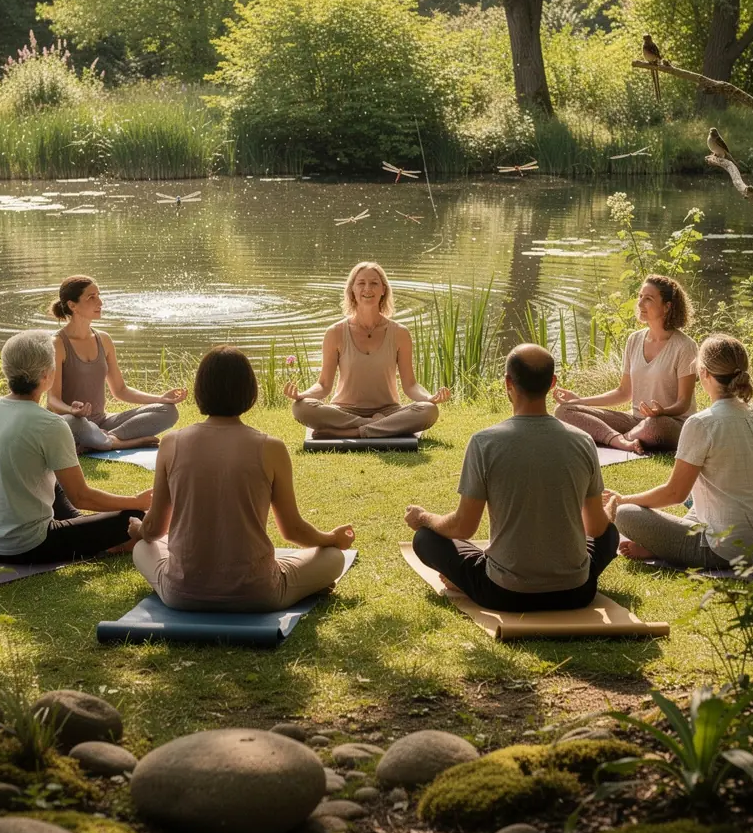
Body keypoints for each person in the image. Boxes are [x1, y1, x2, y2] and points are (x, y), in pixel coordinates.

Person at [131, 346, 355, 611]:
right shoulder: (272, 447)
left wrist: (139, 531)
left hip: (181, 593)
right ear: (250, 391)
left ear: (200, 390)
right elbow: (293, 531)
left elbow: (155, 528)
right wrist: (332, 539)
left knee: (143, 549)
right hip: (258, 592)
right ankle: (304, 581)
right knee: (332, 558)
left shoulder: (171, 443)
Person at [405, 344, 618, 612]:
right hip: (577, 592)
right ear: (552, 383)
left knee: (425, 539)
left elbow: (463, 527)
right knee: (610, 534)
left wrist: (424, 518)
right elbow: (597, 529)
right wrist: (609, 514)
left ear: (508, 382)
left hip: (505, 593)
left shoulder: (485, 442)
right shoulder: (583, 441)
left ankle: (465, 582)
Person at [608, 334, 753, 569]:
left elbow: (675, 494)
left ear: (704, 373)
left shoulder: (701, 424)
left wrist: (622, 499)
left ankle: (660, 545)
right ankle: (660, 543)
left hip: (724, 553)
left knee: (625, 513)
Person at [0, 330, 151, 564]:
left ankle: (82, 527)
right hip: (24, 546)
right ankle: (108, 540)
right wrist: (136, 501)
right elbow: (82, 497)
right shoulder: (50, 424)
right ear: (47, 375)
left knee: (54, 483)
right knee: (132, 517)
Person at [285, 262, 449, 439]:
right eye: (361, 283)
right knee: (300, 408)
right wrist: (303, 395)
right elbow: (324, 385)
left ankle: (354, 432)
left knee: (429, 410)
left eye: (374, 283)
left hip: (388, 411)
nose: (367, 288)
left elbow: (410, 386)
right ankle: (373, 427)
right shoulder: (335, 333)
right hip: (344, 411)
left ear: (383, 290)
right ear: (352, 290)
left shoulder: (400, 333)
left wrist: (429, 397)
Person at [554, 275, 698, 453]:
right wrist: (580, 401)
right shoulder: (634, 340)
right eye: (640, 297)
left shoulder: (685, 346)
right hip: (636, 421)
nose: (640, 304)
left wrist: (663, 412)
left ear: (667, 306)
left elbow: (683, 403)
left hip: (669, 424)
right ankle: (621, 440)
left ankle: (616, 437)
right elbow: (623, 392)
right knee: (564, 410)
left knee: (654, 427)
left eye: (648, 299)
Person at [46, 276, 186, 451]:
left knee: (168, 411)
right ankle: (116, 442)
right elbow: (53, 400)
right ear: (72, 305)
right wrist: (72, 411)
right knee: (75, 423)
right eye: (92, 297)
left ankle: (109, 439)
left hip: (102, 422)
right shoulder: (57, 344)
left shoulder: (104, 339)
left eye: (99, 295)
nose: (100, 302)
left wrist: (160, 398)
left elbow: (120, 390)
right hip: (71, 423)